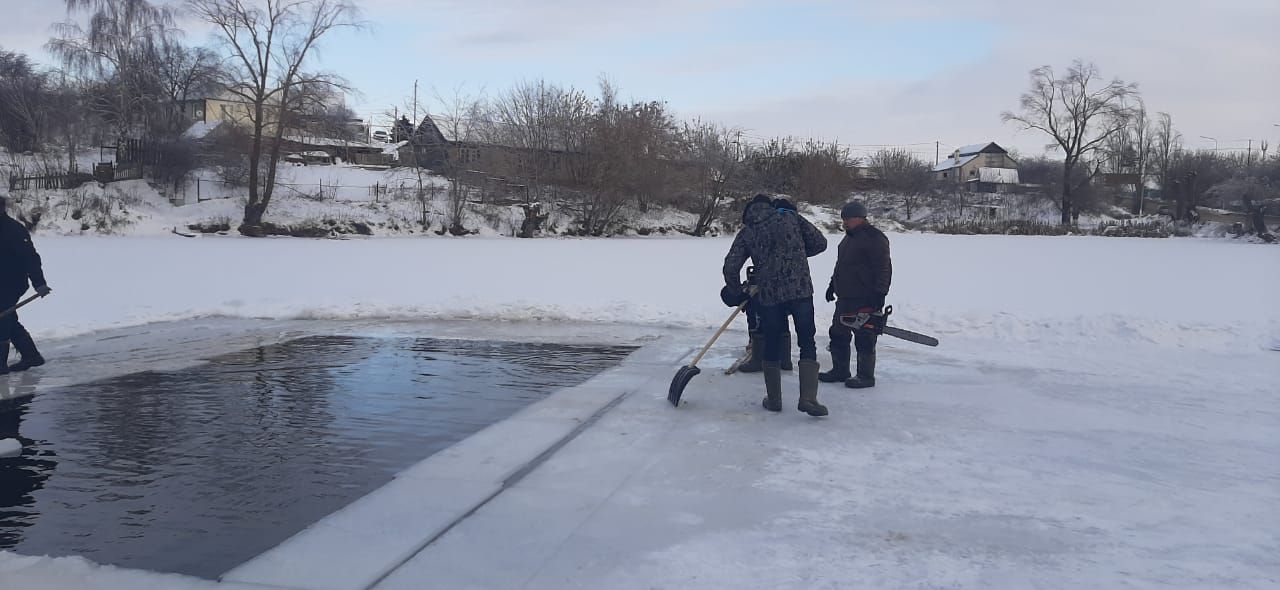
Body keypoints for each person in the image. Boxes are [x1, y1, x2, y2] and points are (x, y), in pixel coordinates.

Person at [723, 194, 828, 416]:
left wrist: (735, 290)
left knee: (771, 340)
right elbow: (820, 243)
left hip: (769, 294)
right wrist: (796, 253)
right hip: (800, 289)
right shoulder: (791, 218)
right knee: (807, 339)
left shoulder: (748, 231)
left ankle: (774, 400)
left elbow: (731, 266)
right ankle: (808, 398)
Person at [819, 201, 891, 388]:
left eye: (848, 219)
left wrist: (880, 294)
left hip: (865, 296)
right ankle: (840, 370)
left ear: (859, 218)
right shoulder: (848, 239)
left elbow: (884, 268)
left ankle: (866, 376)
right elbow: (841, 265)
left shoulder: (875, 238)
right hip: (845, 296)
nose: (844, 223)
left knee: (865, 337)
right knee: (837, 333)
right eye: (843, 219)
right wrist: (831, 285)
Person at [0, 197, 51, 375]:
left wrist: (40, 283)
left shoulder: (14, 230)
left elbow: (30, 257)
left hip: (11, 283)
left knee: (2, 319)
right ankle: (31, 355)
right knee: (8, 318)